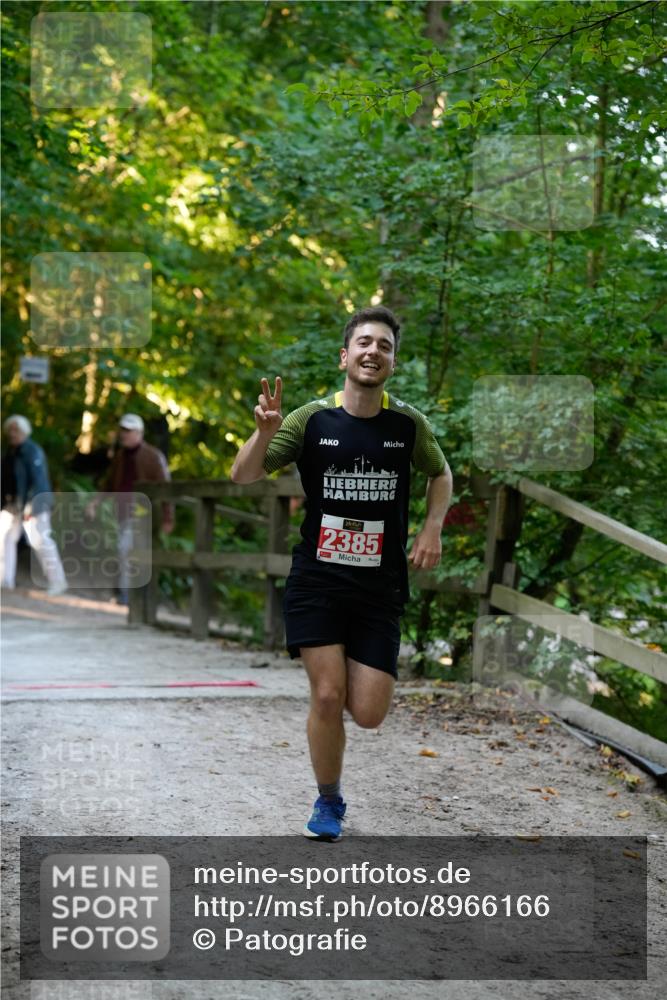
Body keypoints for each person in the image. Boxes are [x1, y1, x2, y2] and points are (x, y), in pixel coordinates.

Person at [231, 306, 453, 840]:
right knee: (327, 695)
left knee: (370, 712)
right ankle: (329, 802)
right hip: (318, 580)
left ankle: (334, 777)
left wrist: (431, 529)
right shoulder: (310, 419)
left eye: (385, 346)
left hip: (379, 586)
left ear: (393, 363)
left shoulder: (407, 424)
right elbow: (244, 475)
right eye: (364, 343)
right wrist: (264, 432)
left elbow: (440, 473)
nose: (374, 351)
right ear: (345, 356)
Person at [86, 414, 174, 604]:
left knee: (128, 550)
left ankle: (128, 595)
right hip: (123, 513)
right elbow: (109, 485)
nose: (123, 434)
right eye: (122, 430)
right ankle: (131, 595)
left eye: (128, 431)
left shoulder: (153, 457)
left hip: (145, 515)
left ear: (139, 433)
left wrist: (167, 518)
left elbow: (167, 489)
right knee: (127, 552)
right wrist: (94, 503)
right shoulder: (120, 457)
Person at [0, 415, 68, 595]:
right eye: (11, 430)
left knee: (40, 540)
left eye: (17, 430)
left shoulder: (32, 451)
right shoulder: (10, 453)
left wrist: (31, 506)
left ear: (24, 431)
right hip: (12, 504)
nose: (13, 433)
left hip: (35, 504)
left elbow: (39, 481)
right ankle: (5, 580)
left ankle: (57, 581)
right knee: (5, 538)